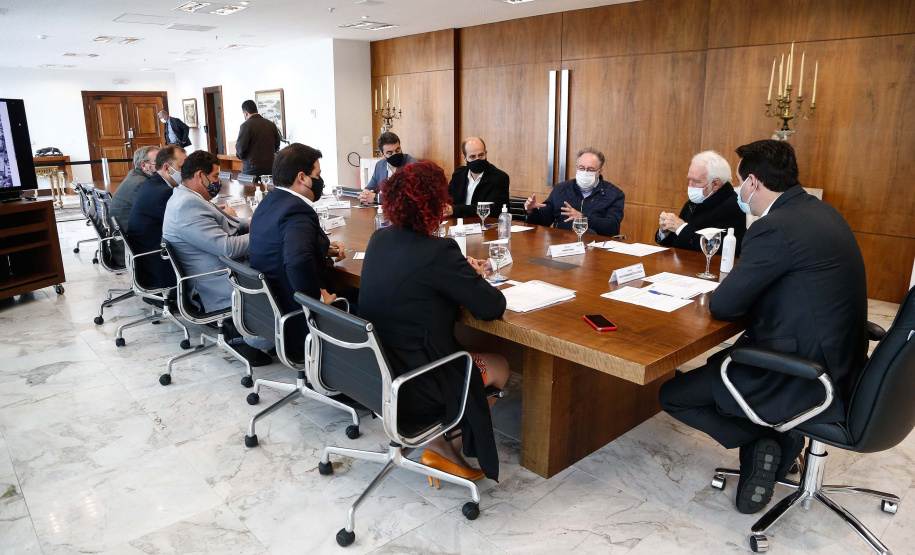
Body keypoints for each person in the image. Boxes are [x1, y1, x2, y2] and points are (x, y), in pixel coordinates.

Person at [658, 140, 868, 515]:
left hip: (799, 371)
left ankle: (767, 437)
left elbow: (723, 306)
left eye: (740, 184)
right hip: (843, 361)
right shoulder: (823, 213)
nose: (740, 192)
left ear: (752, 183)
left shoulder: (775, 227)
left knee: (673, 395)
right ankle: (778, 443)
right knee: (714, 370)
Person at [359, 161, 509, 483]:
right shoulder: (440, 251)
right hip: (422, 379)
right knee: (500, 366)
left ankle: (439, 443)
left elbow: (417, 280)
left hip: (377, 371)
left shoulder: (379, 240)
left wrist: (458, 272)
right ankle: (440, 441)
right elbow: (492, 306)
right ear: (433, 203)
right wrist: (469, 274)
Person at [161, 150, 271, 365]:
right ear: (200, 175)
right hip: (216, 281)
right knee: (283, 272)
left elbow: (231, 223)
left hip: (215, 269)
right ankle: (269, 339)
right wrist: (265, 233)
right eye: (214, 177)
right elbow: (227, 247)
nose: (217, 182)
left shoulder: (188, 196)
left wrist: (254, 223)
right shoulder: (187, 206)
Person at [248, 143, 348, 359]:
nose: (321, 180)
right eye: (318, 174)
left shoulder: (270, 201)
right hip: (295, 316)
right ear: (302, 178)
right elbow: (297, 262)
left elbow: (281, 245)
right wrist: (318, 304)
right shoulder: (297, 210)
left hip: (269, 310)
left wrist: (323, 249)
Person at [656, 150, 747, 257]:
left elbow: (716, 249)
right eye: (689, 180)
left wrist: (681, 228)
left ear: (716, 184)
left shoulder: (732, 205)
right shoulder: (699, 198)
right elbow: (677, 240)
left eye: (696, 181)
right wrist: (665, 230)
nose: (690, 186)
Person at [524, 147, 625, 237]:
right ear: (577, 167)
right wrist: (532, 211)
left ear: (599, 171)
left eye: (590, 169)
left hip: (596, 249)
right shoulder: (561, 189)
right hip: (562, 245)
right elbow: (543, 222)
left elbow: (612, 227)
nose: (585, 172)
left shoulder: (614, 194)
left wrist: (582, 217)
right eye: (581, 168)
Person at [127, 145, 186, 288]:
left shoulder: (152, 184)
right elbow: (187, 226)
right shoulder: (163, 193)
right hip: (159, 267)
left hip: (147, 260)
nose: (186, 172)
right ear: (166, 168)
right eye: (182, 167)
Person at [445, 137, 510, 218]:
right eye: (472, 157)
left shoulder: (499, 178)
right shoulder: (459, 174)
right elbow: (448, 199)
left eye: (481, 155)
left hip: (485, 226)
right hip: (458, 225)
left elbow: (491, 209)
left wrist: (455, 210)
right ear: (464, 158)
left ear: (486, 153)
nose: (477, 160)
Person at [357, 131, 417, 204]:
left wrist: (376, 198)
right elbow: (370, 188)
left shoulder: (412, 165)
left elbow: (407, 197)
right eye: (390, 153)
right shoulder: (380, 165)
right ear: (382, 154)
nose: (395, 154)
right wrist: (365, 195)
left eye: (397, 150)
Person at [109, 146, 158, 233]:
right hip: (129, 239)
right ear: (144, 165)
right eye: (157, 161)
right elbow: (159, 213)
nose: (162, 165)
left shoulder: (134, 176)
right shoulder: (141, 183)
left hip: (123, 234)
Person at [235, 99, 281, 180]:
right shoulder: (271, 124)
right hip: (269, 166)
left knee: (249, 192)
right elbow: (277, 144)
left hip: (251, 168)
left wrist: (240, 156)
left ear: (245, 113)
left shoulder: (246, 125)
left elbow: (241, 149)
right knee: (267, 190)